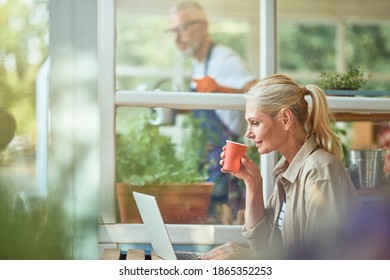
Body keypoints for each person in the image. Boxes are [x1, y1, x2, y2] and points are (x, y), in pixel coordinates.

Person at [200, 74, 364, 259]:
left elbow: (321, 260)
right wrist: (253, 183)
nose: (248, 133)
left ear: (286, 119)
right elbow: (263, 244)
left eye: (255, 123)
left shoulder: (318, 171)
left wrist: (248, 260)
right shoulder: (287, 169)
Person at [166, 1, 257, 223]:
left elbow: (258, 90)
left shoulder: (224, 59)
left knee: (224, 229)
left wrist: (221, 89)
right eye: (173, 31)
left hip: (226, 165)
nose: (177, 38)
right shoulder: (199, 63)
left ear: (203, 27)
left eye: (183, 28)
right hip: (209, 164)